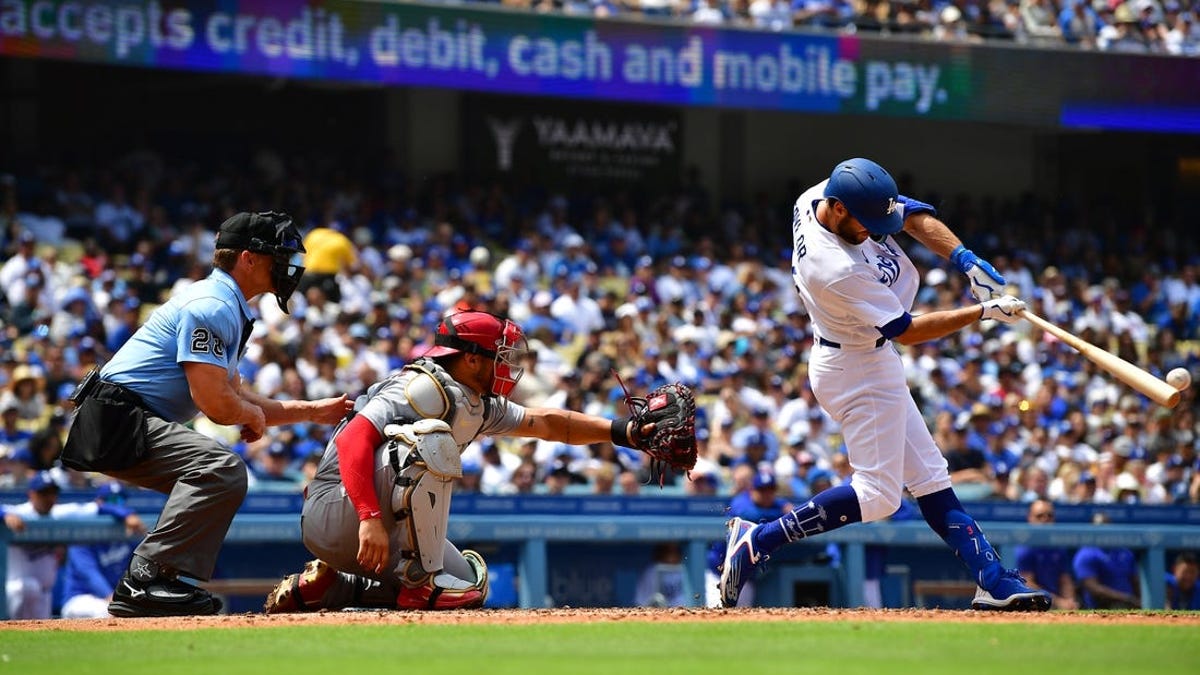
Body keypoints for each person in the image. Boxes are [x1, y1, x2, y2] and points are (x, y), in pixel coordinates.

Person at [719, 157, 1050, 612]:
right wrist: (981, 313)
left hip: (868, 356)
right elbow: (906, 330)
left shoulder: (822, 195)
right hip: (855, 365)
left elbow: (910, 215)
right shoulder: (833, 267)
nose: (877, 232)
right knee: (878, 497)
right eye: (866, 223)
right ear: (836, 210)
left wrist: (963, 258)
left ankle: (993, 580)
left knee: (931, 477)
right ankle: (758, 538)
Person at [264, 310, 661, 612]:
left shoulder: (473, 400)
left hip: (363, 529)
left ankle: (334, 586)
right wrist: (368, 517)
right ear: (470, 359)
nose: (508, 365)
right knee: (432, 439)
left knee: (469, 586)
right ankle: (417, 580)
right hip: (340, 511)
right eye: (499, 356)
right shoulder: (423, 387)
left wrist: (623, 432)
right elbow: (354, 437)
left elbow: (546, 423)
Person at [59, 211, 354, 618]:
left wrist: (311, 411)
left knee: (219, 474)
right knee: (220, 469)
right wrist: (249, 415)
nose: (288, 267)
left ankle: (157, 579)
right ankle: (145, 578)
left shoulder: (225, 303)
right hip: (117, 419)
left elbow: (236, 396)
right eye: (278, 256)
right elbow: (217, 405)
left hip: (126, 418)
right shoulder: (213, 305)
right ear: (248, 258)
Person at [2, 472, 142, 619]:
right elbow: (88, 572)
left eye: (53, 492)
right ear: (31, 494)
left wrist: (127, 514)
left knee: (38, 633)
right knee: (29, 589)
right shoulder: (19, 513)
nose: (49, 497)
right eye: (43, 493)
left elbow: (99, 507)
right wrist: (4, 514)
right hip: (17, 588)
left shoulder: (60, 513)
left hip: (45, 592)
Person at [59, 482, 149, 618]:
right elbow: (89, 574)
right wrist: (112, 598)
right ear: (99, 501)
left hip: (113, 599)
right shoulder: (84, 531)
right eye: (112, 500)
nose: (117, 504)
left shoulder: (127, 533)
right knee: (107, 611)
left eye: (121, 500)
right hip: (79, 599)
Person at [1012, 499, 1078, 609]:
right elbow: (1027, 583)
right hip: (1030, 605)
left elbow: (1065, 579)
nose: (1045, 519)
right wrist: (1059, 602)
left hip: (1056, 604)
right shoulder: (1025, 547)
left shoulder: (1058, 546)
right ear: (1030, 518)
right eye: (1039, 516)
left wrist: (1069, 601)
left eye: (1049, 516)